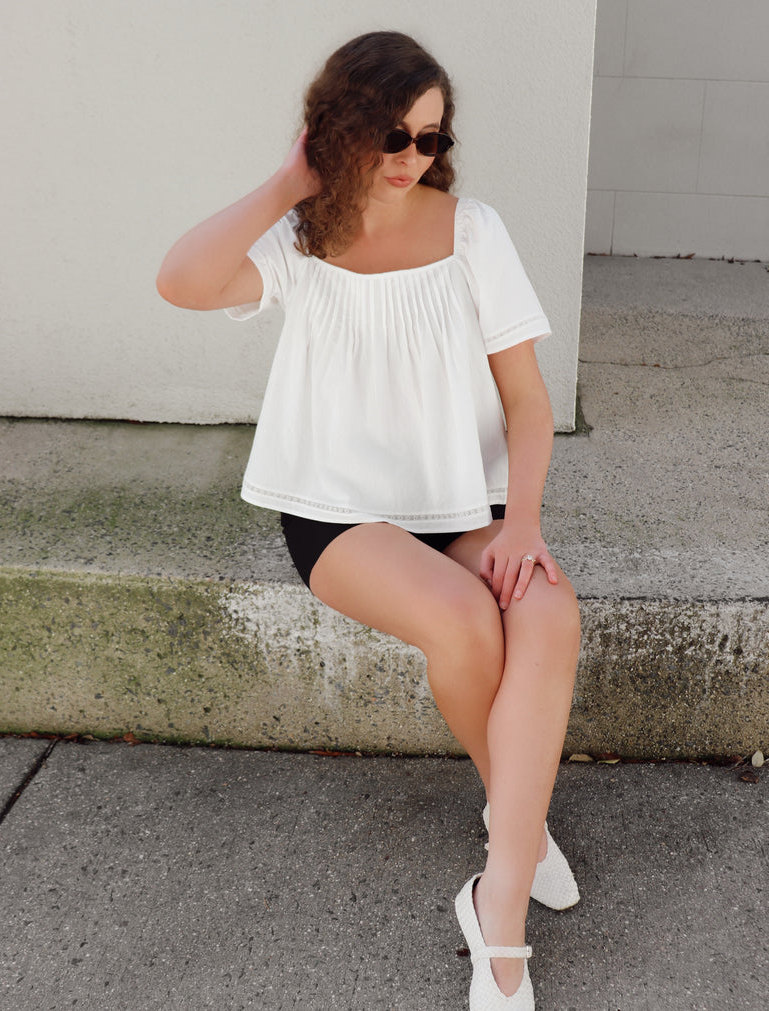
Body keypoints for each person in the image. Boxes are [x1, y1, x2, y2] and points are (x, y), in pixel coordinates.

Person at [157, 30, 581, 1011]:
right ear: (338, 128)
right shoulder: (300, 237)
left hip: (463, 504)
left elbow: (523, 402)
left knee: (548, 611)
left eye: (430, 139)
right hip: (334, 511)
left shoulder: (472, 231)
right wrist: (285, 184)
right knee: (468, 622)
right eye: (391, 134)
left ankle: (497, 883)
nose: (411, 158)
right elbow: (180, 282)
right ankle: (510, 891)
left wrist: (520, 525)